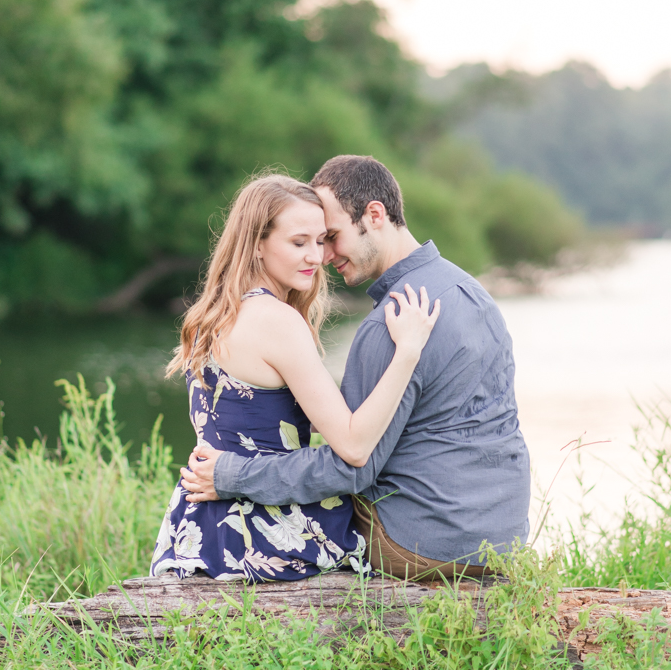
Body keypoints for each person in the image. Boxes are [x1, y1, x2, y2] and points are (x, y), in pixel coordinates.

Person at [182, 155, 531, 581]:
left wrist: (232, 473)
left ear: (375, 215)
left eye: (330, 237)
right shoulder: (471, 291)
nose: (323, 255)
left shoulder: (394, 321)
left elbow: (352, 463)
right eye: (305, 241)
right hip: (503, 537)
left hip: (421, 543)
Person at [150, 173, 439, 582]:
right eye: (298, 242)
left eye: (321, 241)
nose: (317, 257)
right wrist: (407, 353)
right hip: (262, 527)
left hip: (196, 524)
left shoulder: (209, 316)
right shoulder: (277, 321)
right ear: (256, 244)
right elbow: (354, 446)